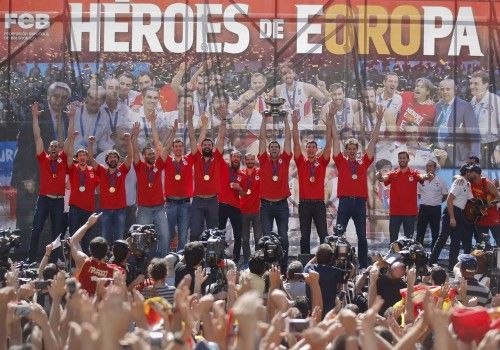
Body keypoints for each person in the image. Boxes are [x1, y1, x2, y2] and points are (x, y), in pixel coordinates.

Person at [12, 82, 71, 237]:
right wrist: (27, 178)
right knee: (29, 225)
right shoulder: (36, 117)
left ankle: (48, 258)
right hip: (32, 179)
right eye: (56, 96)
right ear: (48, 97)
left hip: (55, 179)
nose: (59, 100)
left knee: (52, 225)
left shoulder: (67, 118)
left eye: (64, 98)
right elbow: (24, 150)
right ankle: (26, 259)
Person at [332, 103, 384, 267]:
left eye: (355, 148)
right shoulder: (340, 161)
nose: (352, 151)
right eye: (350, 148)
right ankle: (336, 264)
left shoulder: (363, 163)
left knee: (362, 236)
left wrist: (379, 120)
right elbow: (334, 139)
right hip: (345, 202)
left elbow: (373, 140)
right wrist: (332, 118)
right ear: (346, 150)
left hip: (359, 203)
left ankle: (362, 265)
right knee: (339, 235)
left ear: (358, 150)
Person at [28, 102, 71, 263]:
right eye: (51, 146)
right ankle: (30, 258)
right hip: (44, 199)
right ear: (48, 148)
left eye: (56, 146)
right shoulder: (43, 158)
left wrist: (71, 119)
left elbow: (68, 138)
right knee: (37, 229)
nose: (53, 148)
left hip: (58, 201)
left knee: (57, 233)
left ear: (59, 149)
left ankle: (53, 261)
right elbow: (37, 136)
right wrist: (34, 117)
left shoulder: (63, 159)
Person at [87, 124, 136, 244]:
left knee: (119, 238)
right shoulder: (102, 170)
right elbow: (90, 159)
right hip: (106, 210)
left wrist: (129, 141)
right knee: (105, 237)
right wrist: (91, 144)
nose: (113, 159)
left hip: (120, 210)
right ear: (107, 160)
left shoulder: (122, 170)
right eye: (111, 157)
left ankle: (117, 260)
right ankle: (105, 259)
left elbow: (130, 156)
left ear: (119, 160)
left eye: (115, 157)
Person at [292, 109, 332, 254]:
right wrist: (294, 124)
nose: (310, 149)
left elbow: (329, 145)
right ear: (306, 148)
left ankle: (325, 260)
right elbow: (296, 143)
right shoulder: (301, 162)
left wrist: (329, 124)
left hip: (318, 204)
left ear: (316, 149)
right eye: (308, 147)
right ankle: (304, 261)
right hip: (304, 204)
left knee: (323, 235)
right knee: (305, 236)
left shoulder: (321, 162)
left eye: (313, 147)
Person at [258, 110, 292, 271]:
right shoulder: (263, 160)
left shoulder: (284, 160)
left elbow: (288, 138)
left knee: (283, 236)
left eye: (275, 147)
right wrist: (265, 119)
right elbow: (262, 138)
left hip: (281, 205)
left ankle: (284, 267)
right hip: (265, 205)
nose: (272, 148)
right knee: (266, 237)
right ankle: (266, 267)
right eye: (270, 147)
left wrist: (285, 120)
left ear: (279, 150)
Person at [376, 151, 434, 243]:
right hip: (395, 212)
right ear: (398, 160)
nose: (402, 160)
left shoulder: (414, 172)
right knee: (393, 241)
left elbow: (421, 176)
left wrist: (426, 176)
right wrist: (379, 177)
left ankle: (407, 257)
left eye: (404, 158)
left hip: (409, 212)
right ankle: (393, 256)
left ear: (408, 159)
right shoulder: (393, 173)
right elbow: (383, 178)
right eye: (400, 158)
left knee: (409, 241)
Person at [160, 105, 196, 252]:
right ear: (173, 149)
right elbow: (164, 149)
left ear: (183, 148)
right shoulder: (167, 160)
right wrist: (173, 133)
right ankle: (166, 260)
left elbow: (193, 141)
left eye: (180, 146)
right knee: (167, 233)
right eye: (176, 146)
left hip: (186, 204)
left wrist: (191, 119)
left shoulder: (189, 159)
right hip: (170, 203)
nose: (178, 148)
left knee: (183, 234)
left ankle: (181, 259)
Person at [189, 101, 227, 241]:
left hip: (212, 201)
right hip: (198, 201)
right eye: (204, 144)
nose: (206, 146)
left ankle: (213, 260)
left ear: (212, 147)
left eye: (209, 145)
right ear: (202, 147)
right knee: (194, 233)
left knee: (213, 234)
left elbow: (221, 137)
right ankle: (193, 259)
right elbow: (192, 138)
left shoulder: (216, 157)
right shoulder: (195, 158)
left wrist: (223, 120)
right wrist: (189, 119)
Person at [132, 121, 169, 258]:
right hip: (144, 209)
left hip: (160, 207)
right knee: (142, 237)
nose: (152, 155)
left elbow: (165, 150)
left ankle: (164, 262)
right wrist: (134, 137)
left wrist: (172, 133)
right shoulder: (139, 166)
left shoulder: (158, 165)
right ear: (144, 156)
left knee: (164, 235)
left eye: (153, 153)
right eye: (149, 154)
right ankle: (144, 263)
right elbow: (135, 151)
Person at [65, 109, 100, 253]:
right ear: (77, 158)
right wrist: (72, 139)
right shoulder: (73, 168)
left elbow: (99, 186)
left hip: (89, 209)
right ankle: (73, 264)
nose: (82, 157)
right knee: (74, 237)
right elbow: (67, 153)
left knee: (87, 239)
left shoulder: (93, 171)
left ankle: (86, 263)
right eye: (79, 155)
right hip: (74, 209)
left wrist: (90, 146)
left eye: (84, 155)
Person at [429, 164, 473, 269]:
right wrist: (452, 217)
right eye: (470, 171)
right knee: (442, 238)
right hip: (451, 211)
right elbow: (449, 200)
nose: (472, 173)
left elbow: (472, 199)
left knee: (456, 241)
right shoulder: (460, 182)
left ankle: (452, 267)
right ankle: (431, 262)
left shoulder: (466, 183)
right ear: (467, 172)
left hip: (460, 213)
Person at [68, 212, 122, 296]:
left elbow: (73, 241)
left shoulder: (83, 261)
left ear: (90, 250)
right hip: (101, 307)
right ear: (107, 251)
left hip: (83, 305)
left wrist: (88, 223)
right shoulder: (114, 271)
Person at [433, 78, 480, 166]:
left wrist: (474, 158)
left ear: (455, 90)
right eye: (442, 89)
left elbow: (474, 134)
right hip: (439, 155)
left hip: (458, 158)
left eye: (448, 89)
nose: (444, 92)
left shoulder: (465, 106)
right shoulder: (437, 106)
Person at [269, 62, 327, 130]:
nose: (287, 76)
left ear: (294, 73)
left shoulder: (306, 87)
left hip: (305, 131)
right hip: (287, 131)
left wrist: (324, 90)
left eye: (290, 73)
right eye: (284, 73)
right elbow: (265, 100)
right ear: (281, 76)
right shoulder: (278, 89)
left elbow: (325, 100)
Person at [218, 150, 245, 263]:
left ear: (240, 160)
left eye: (238, 157)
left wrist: (239, 188)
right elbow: (218, 155)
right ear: (230, 157)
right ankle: (219, 257)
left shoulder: (242, 175)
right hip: (222, 204)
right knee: (219, 233)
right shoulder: (224, 167)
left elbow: (244, 194)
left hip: (235, 207)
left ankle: (236, 259)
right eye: (234, 156)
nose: (236, 159)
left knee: (238, 234)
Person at [469, 70, 500, 168]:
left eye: (476, 83)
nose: (472, 86)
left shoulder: (496, 101)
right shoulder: (473, 101)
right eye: (471, 83)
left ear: (485, 85)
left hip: (492, 147)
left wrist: (498, 150)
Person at [416, 160, 448, 250]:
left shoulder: (441, 181)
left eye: (430, 166)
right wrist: (426, 200)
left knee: (435, 233)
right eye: (427, 166)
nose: (428, 168)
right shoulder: (420, 180)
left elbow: (445, 195)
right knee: (420, 232)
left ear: (435, 168)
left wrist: (436, 201)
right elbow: (418, 194)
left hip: (436, 209)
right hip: (423, 208)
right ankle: (418, 253)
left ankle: (433, 256)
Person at [304, 244, 343, 316]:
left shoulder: (309, 269)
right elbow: (350, 272)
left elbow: (307, 265)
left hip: (312, 312)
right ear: (331, 258)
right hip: (330, 314)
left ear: (316, 256)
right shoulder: (336, 272)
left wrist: (318, 255)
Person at [467, 164, 500, 244]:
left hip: (492, 217)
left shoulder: (487, 183)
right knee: (483, 244)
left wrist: (489, 203)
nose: (468, 173)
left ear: (477, 174)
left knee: (499, 241)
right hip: (480, 218)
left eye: (470, 172)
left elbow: (498, 196)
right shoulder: (469, 183)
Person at [72, 86, 111, 154]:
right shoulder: (75, 111)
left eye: (98, 99)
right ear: (87, 97)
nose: (94, 102)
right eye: (91, 97)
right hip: (73, 155)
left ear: (103, 102)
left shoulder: (105, 117)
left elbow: (101, 143)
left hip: (92, 157)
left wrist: (113, 150)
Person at [240, 154, 262, 268]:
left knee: (259, 238)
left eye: (251, 159)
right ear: (244, 161)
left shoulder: (260, 172)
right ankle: (247, 262)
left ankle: (258, 261)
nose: (249, 161)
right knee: (245, 239)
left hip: (257, 211)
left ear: (255, 160)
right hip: (243, 211)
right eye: (247, 159)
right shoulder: (240, 173)